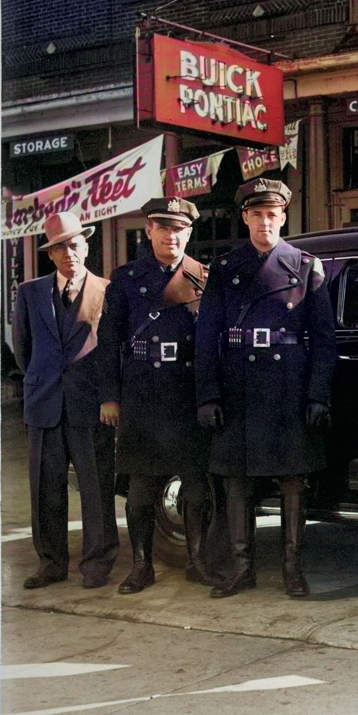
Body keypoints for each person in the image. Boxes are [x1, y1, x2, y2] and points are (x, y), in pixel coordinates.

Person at [194, 178, 335, 599]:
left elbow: (323, 338)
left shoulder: (306, 266)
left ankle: (293, 570)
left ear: (283, 217)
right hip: (239, 385)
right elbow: (206, 336)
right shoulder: (224, 269)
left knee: (293, 480)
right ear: (245, 218)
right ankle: (243, 570)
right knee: (237, 481)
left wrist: (316, 395)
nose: (265, 223)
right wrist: (208, 394)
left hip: (287, 384)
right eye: (256, 215)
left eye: (272, 215)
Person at [97, 197, 217, 593]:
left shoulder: (203, 276)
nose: (171, 235)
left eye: (179, 228)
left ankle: (198, 562)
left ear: (189, 232)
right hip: (142, 395)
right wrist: (110, 397)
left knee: (196, 485)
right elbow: (108, 341)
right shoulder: (127, 279)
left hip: (186, 394)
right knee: (141, 489)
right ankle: (142, 566)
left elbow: (212, 341)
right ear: (149, 231)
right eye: (162, 227)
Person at [12, 211, 119, 589]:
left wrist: (110, 397)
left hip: (91, 406)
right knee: (45, 490)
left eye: (74, 244)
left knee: (96, 488)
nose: (68, 253)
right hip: (44, 405)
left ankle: (97, 564)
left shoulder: (107, 290)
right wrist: (41, 384)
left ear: (86, 246)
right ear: (50, 254)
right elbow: (22, 351)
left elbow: (111, 352)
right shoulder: (29, 293)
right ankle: (52, 564)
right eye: (59, 247)